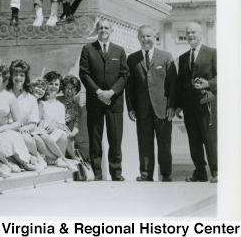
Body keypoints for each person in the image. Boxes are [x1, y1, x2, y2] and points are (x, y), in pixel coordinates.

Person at [79, 18, 129, 181]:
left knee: (115, 139)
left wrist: (111, 92)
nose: (103, 30)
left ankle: (116, 173)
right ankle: (97, 173)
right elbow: (84, 73)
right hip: (95, 101)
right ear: (96, 30)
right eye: (100, 28)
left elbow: (124, 75)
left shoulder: (119, 51)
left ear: (111, 30)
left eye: (106, 28)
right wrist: (99, 92)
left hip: (114, 102)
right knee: (95, 139)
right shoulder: (88, 49)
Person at [126, 25, 177, 182]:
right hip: (142, 109)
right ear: (138, 38)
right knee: (144, 143)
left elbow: (173, 84)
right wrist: (131, 108)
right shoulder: (132, 59)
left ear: (154, 37)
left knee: (164, 144)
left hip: (162, 108)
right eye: (143, 36)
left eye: (149, 36)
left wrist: (172, 106)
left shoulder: (166, 56)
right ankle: (146, 174)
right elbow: (130, 86)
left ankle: (166, 174)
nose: (146, 39)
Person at [175, 22, 217, 183]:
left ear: (201, 34)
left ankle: (216, 172)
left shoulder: (212, 53)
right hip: (189, 107)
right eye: (188, 33)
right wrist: (178, 104)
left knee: (210, 140)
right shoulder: (184, 57)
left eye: (193, 32)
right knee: (194, 140)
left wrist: (208, 84)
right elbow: (181, 83)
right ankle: (200, 172)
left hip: (207, 105)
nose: (190, 35)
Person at [0, 59, 36, 171]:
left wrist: (3, 128)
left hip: (4, 130)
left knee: (11, 138)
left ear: (4, 76)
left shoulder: (9, 96)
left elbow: (18, 122)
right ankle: (11, 163)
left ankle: (23, 162)